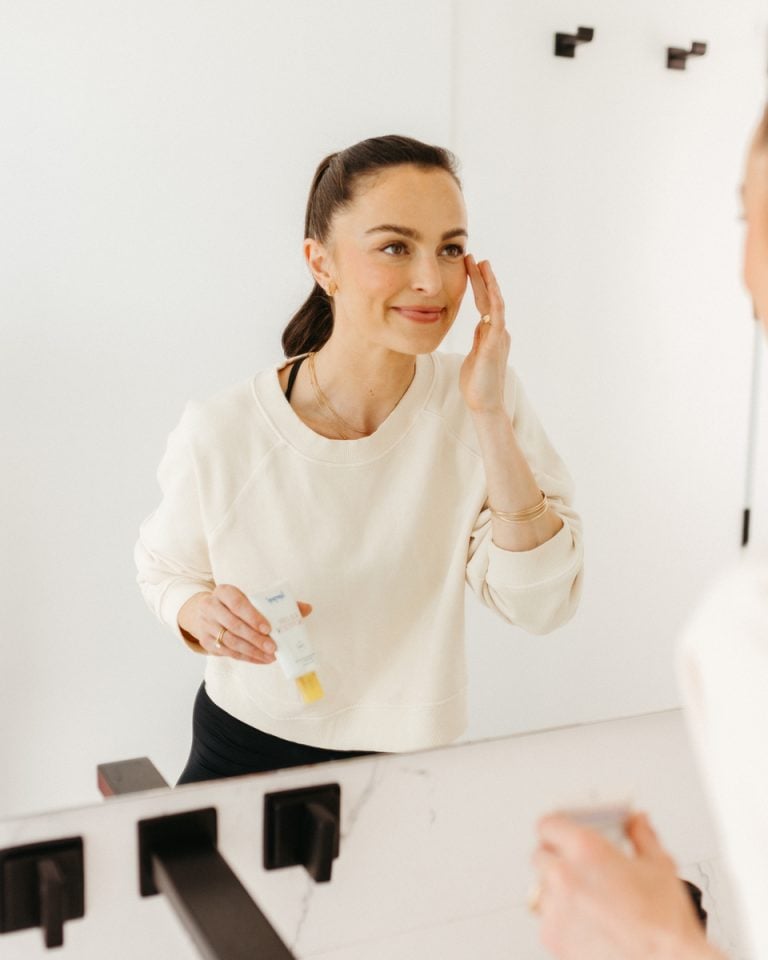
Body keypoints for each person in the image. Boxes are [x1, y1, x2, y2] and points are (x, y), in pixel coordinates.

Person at [135, 134, 584, 785]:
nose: (432, 279)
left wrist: (488, 413)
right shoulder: (226, 429)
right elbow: (162, 566)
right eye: (395, 247)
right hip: (248, 752)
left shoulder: (483, 403)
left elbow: (539, 603)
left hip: (411, 770)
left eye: (451, 248)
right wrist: (195, 613)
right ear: (323, 264)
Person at [532, 106, 768, 960]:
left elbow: (539, 600)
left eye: (749, 217)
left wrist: (658, 943)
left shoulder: (752, 623)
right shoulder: (228, 427)